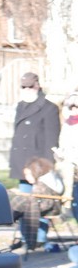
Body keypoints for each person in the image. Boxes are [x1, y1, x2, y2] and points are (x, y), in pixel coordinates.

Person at [9, 72, 61, 182]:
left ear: (37, 85)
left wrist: (47, 166)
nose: (27, 89)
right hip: (21, 162)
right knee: (24, 196)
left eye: (30, 86)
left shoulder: (49, 108)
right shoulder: (20, 106)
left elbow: (51, 141)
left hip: (38, 165)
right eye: (24, 87)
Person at [9, 156, 65, 251]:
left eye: (28, 174)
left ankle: (9, 216)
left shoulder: (44, 184)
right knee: (21, 201)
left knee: (22, 202)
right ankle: (10, 215)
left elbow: (45, 202)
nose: (26, 178)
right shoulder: (42, 181)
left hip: (50, 208)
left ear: (35, 172)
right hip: (39, 204)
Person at [54, 89, 78, 220]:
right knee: (67, 184)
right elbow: (63, 141)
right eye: (72, 107)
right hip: (68, 160)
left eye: (76, 107)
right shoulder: (67, 124)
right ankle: (66, 209)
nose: (74, 110)